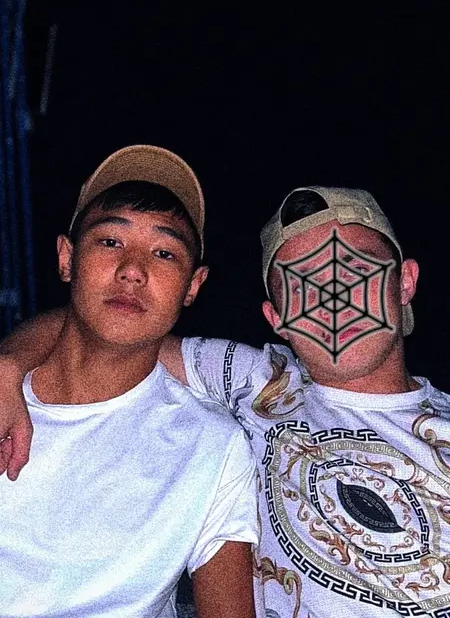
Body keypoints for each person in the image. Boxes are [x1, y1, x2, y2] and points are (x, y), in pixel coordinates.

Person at [1, 185, 449, 617]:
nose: (335, 301)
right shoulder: (260, 383)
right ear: (276, 317)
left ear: (404, 282)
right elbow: (106, 323)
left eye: (354, 272)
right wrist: (8, 366)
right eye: (304, 287)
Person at [0, 144, 259, 618]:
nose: (133, 271)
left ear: (193, 285)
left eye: (164, 252)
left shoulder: (212, 446)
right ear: (66, 258)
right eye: (110, 242)